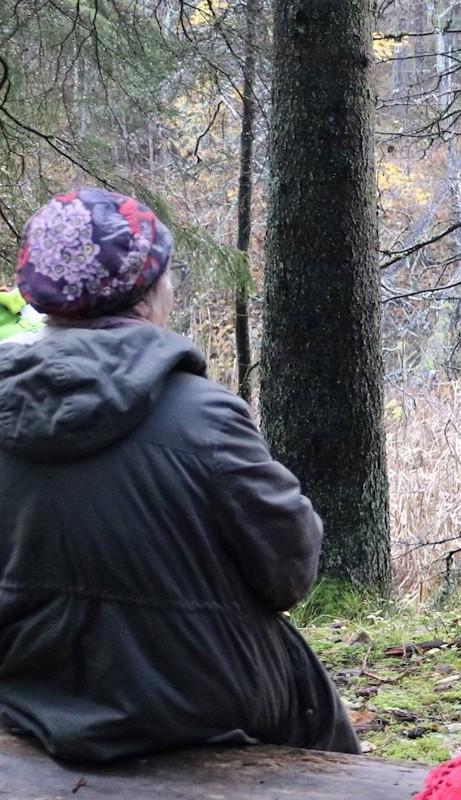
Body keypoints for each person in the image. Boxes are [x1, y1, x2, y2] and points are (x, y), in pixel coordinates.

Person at [0, 188, 359, 762]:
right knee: (312, 708)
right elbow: (291, 572)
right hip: (200, 704)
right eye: (166, 274)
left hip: (27, 697)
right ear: (145, 295)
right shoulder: (204, 415)